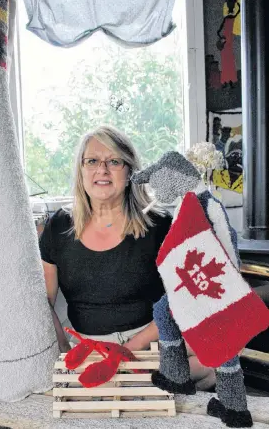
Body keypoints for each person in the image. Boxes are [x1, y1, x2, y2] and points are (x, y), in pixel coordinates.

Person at [39, 125, 215, 390]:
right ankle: (149, 384)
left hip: (150, 339)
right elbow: (44, 302)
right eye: (92, 161)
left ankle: (142, 381)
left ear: (130, 171)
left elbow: (181, 300)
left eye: (114, 161)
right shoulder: (58, 227)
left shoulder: (159, 225)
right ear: (81, 170)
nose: (102, 169)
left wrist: (131, 348)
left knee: (216, 356)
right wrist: (63, 351)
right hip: (87, 344)